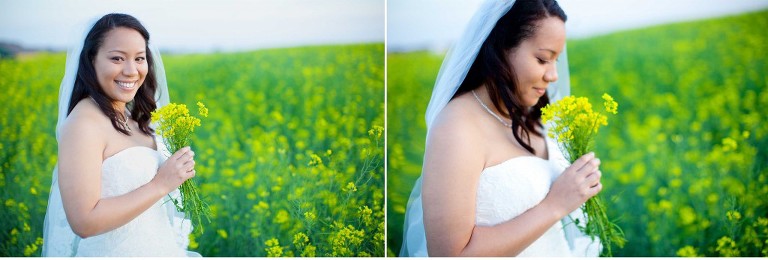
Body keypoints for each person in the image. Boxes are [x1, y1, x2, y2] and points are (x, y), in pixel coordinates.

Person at [400, 0, 602, 256]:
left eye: (556, 60)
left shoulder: (532, 113)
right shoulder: (456, 128)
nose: (553, 75)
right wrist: (556, 205)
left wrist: (580, 182)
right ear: (503, 47)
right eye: (542, 59)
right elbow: (449, 254)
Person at [42, 13, 200, 257]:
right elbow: (84, 222)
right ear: (91, 60)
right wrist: (161, 184)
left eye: (139, 58)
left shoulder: (134, 116)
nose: (131, 70)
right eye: (117, 58)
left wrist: (178, 170)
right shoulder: (83, 124)